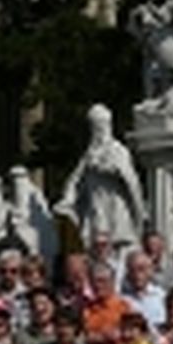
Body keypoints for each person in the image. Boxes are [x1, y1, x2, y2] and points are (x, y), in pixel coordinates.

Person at [54, 103, 146, 248]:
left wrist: (109, 169)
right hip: (95, 204)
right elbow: (76, 179)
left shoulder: (117, 149)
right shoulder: (90, 152)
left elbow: (130, 179)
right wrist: (68, 199)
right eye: (94, 126)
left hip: (114, 204)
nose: (98, 129)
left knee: (117, 239)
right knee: (94, 240)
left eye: (100, 124)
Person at [83, 263, 128, 344]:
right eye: (94, 281)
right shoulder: (86, 309)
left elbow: (125, 337)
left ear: (112, 282)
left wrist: (97, 336)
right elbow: (84, 338)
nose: (98, 285)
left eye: (102, 281)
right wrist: (105, 336)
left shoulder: (123, 308)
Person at [122, 250, 167, 330]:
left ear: (149, 271)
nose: (137, 275)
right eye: (132, 270)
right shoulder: (123, 300)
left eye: (141, 269)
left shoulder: (162, 296)